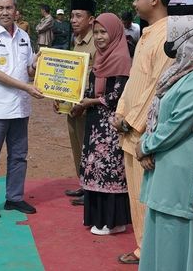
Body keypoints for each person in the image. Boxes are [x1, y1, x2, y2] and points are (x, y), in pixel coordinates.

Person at [137, 15, 193, 270]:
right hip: (166, 168)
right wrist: (148, 143)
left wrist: (146, 145)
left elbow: (179, 124)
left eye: (175, 39)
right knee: (162, 236)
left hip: (181, 170)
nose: (171, 45)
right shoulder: (181, 73)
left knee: (178, 240)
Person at [112, 0, 174, 265]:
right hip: (130, 128)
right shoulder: (148, 32)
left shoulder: (167, 37)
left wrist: (131, 121)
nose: (134, 3)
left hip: (144, 133)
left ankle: (150, 250)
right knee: (136, 196)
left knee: (148, 197)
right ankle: (143, 247)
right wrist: (120, 111)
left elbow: (157, 88)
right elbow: (135, 81)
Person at [0, 0, 44, 219]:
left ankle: (14, 198)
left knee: (18, 155)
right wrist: (26, 87)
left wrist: (38, 63)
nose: (5, 12)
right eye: (0, 8)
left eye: (9, 8)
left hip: (20, 108)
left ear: (16, 10)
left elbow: (28, 71)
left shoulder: (24, 36)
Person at [78, 13, 131, 235]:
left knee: (109, 172)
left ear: (115, 33)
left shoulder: (120, 58)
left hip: (110, 127)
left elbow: (116, 97)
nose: (99, 37)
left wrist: (88, 101)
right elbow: (91, 90)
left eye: (103, 32)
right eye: (96, 32)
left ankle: (113, 222)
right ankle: (102, 220)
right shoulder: (100, 58)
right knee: (97, 172)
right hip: (95, 124)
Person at [58, 0, 97, 206]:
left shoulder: (96, 42)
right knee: (77, 146)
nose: (73, 20)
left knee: (88, 147)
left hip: (87, 107)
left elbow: (97, 77)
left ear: (91, 19)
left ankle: (92, 189)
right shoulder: (76, 42)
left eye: (78, 16)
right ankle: (84, 184)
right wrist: (59, 96)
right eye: (72, 16)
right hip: (72, 106)